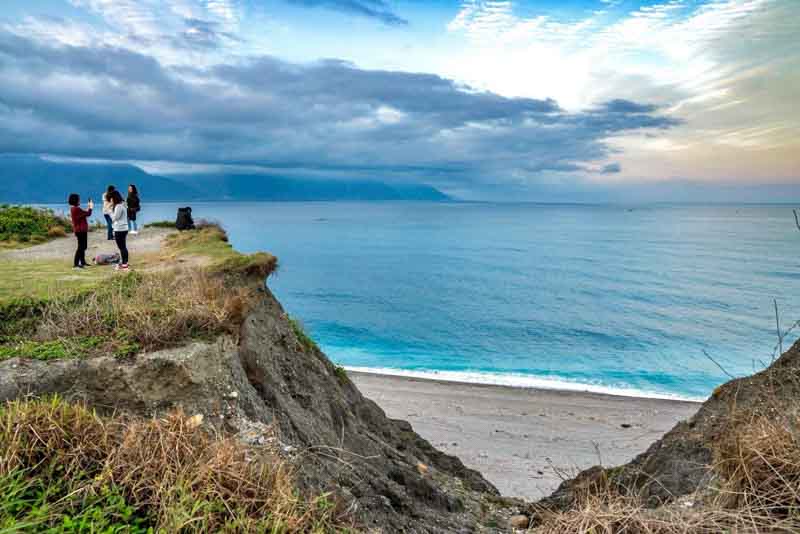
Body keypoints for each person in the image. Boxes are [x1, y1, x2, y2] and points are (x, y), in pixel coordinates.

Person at [68, 193, 93, 269]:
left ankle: (82, 262)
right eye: (78, 199)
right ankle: (76, 264)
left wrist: (89, 207)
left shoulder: (74, 208)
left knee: (83, 246)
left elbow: (84, 214)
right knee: (81, 247)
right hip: (80, 230)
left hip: (80, 230)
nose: (80, 200)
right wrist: (90, 207)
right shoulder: (76, 209)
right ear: (75, 200)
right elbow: (88, 213)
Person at [109, 190, 129, 271]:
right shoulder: (122, 205)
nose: (110, 200)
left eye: (111, 198)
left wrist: (109, 211)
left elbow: (114, 218)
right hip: (123, 228)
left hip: (120, 229)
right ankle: (124, 263)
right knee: (123, 247)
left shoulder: (118, 206)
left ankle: (124, 265)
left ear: (114, 198)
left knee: (122, 247)